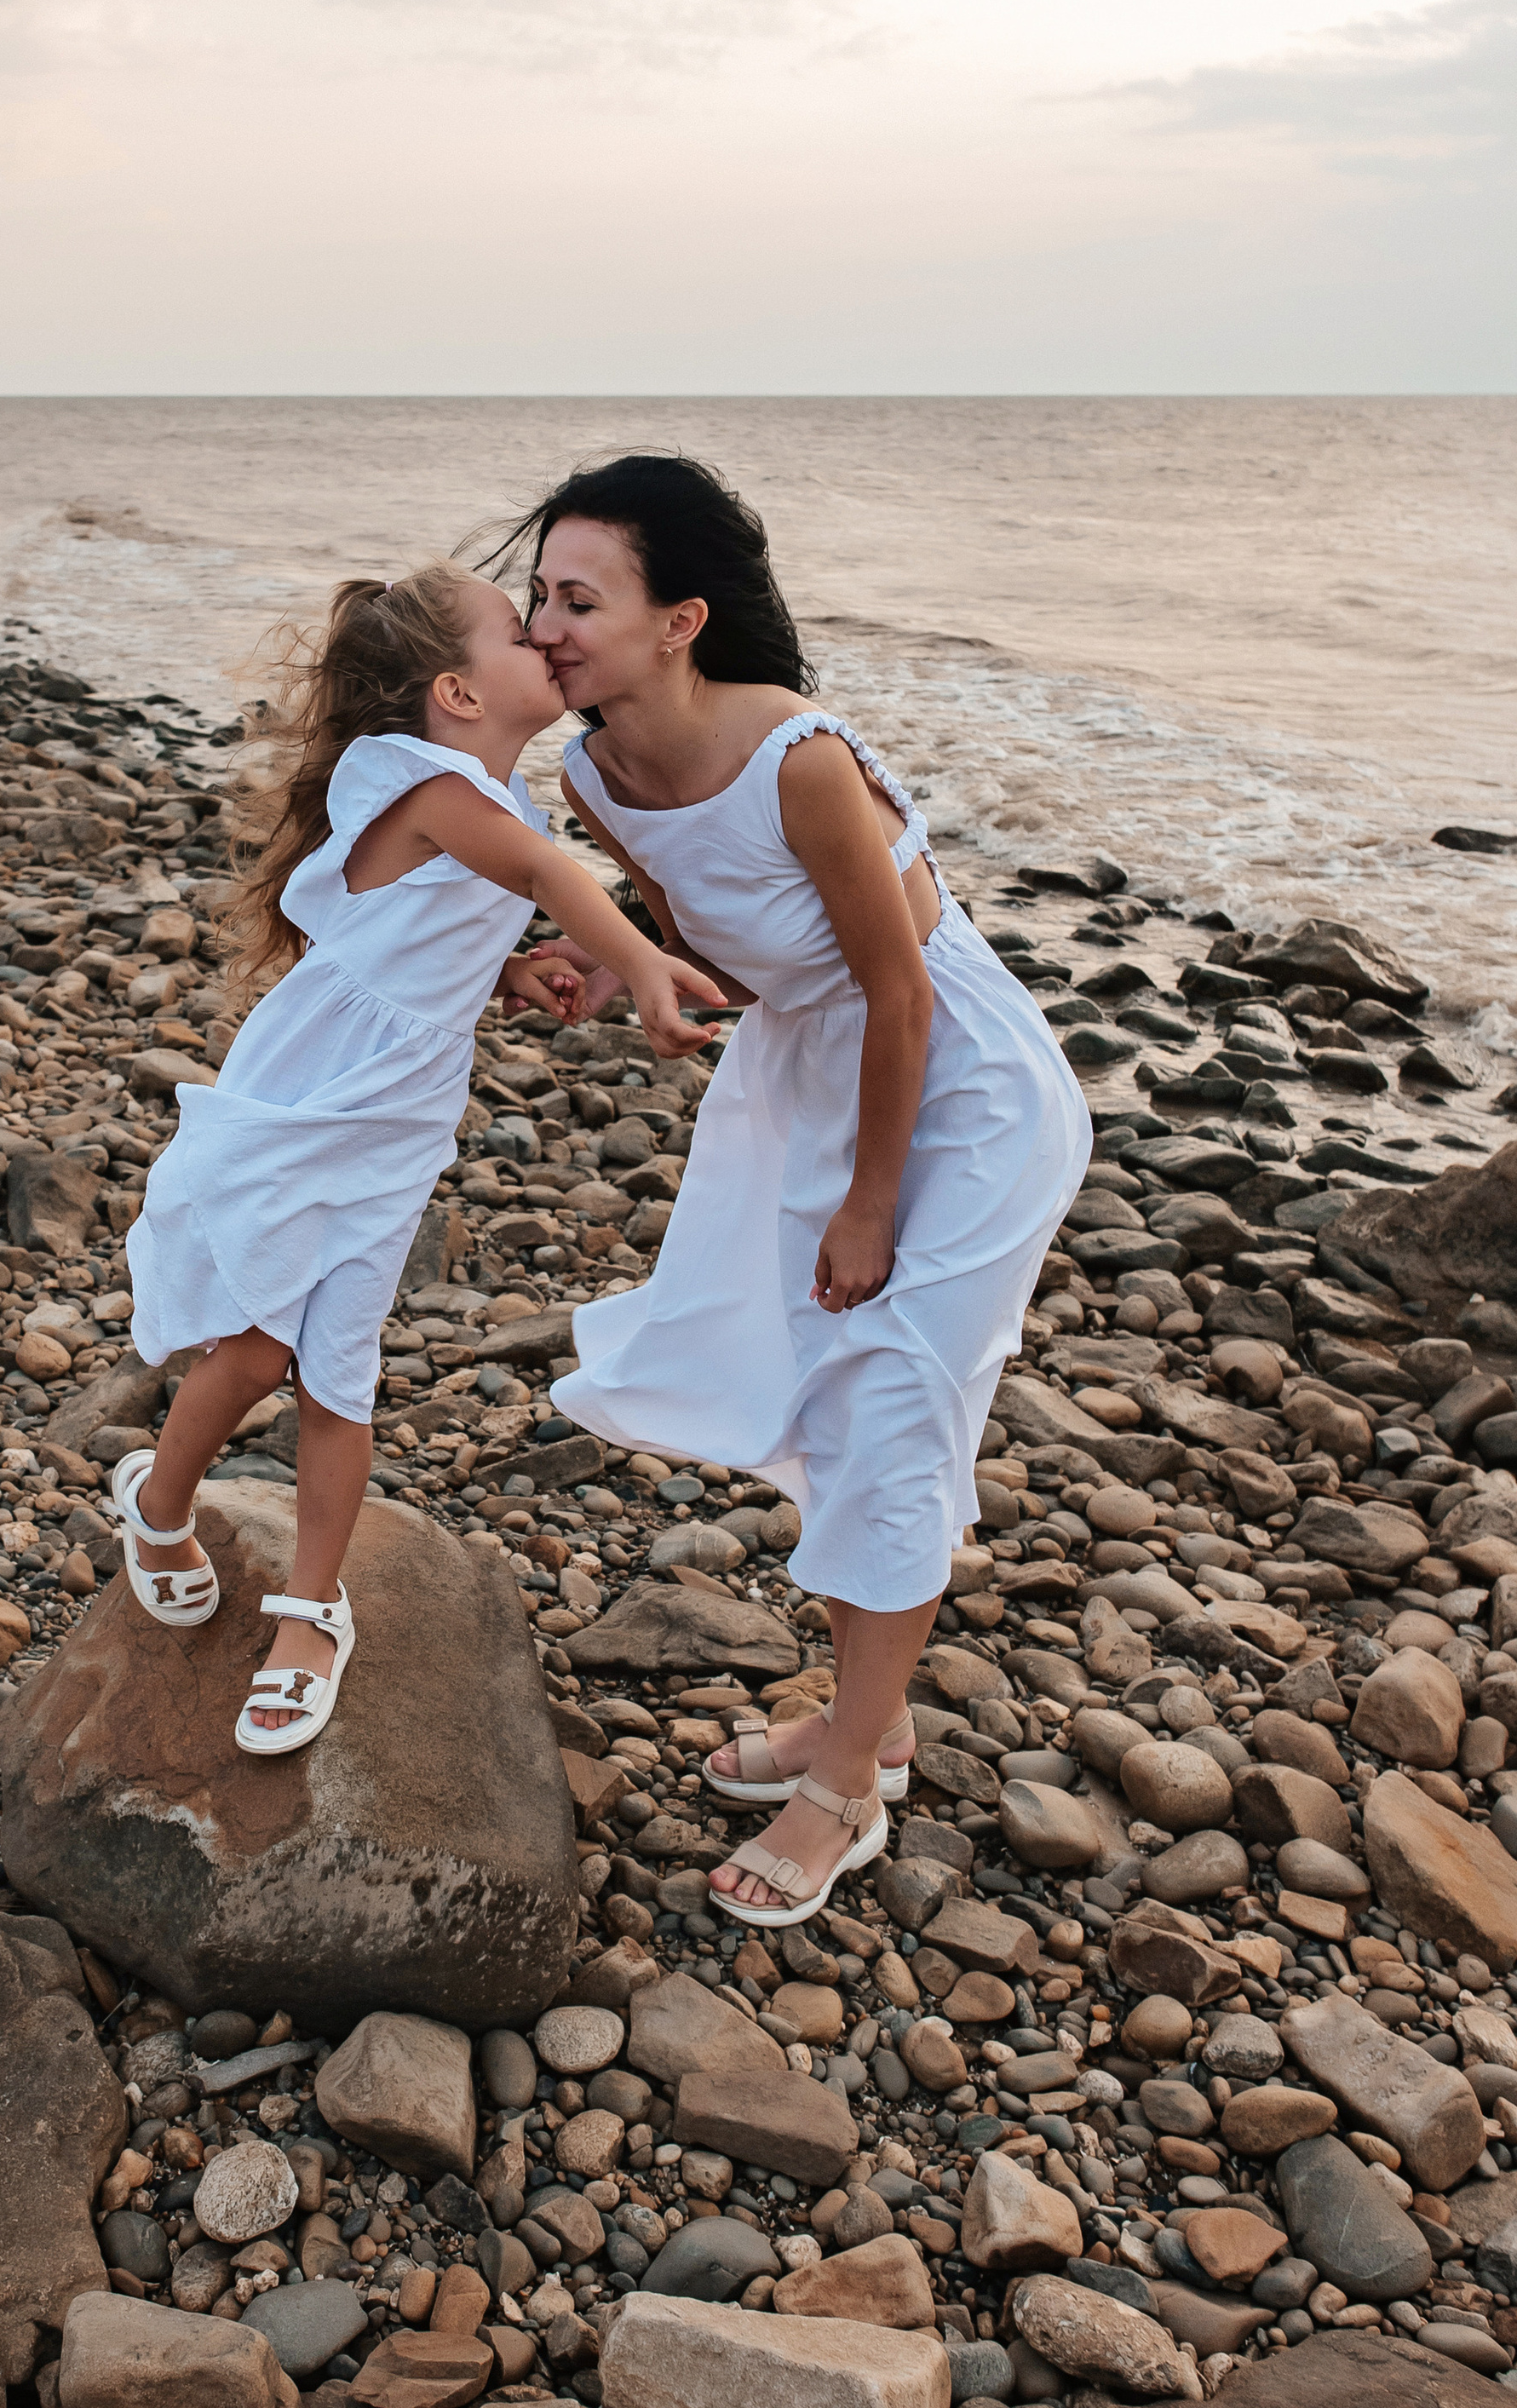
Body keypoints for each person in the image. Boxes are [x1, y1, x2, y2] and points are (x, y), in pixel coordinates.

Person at [505, 454, 1089, 1922]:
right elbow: (706, 927)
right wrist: (602, 961)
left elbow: (901, 997)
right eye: (538, 597)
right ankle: (867, 1717)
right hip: (813, 1076)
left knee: (890, 1393)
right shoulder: (592, 769)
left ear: (680, 620)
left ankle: (847, 1795)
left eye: (581, 598)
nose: (548, 625)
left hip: (959, 1093)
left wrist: (870, 1204)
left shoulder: (801, 757)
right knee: (830, 1400)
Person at [118, 563, 723, 1757]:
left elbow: (409, 926)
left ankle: (309, 1608)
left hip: (394, 1131)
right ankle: (158, 1503)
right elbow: (545, 878)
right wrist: (645, 963)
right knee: (249, 1349)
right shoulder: (424, 777)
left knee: (339, 1371)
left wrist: (506, 969)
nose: (547, 637)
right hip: (312, 1104)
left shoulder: (484, 799)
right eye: (518, 628)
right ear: (455, 688)